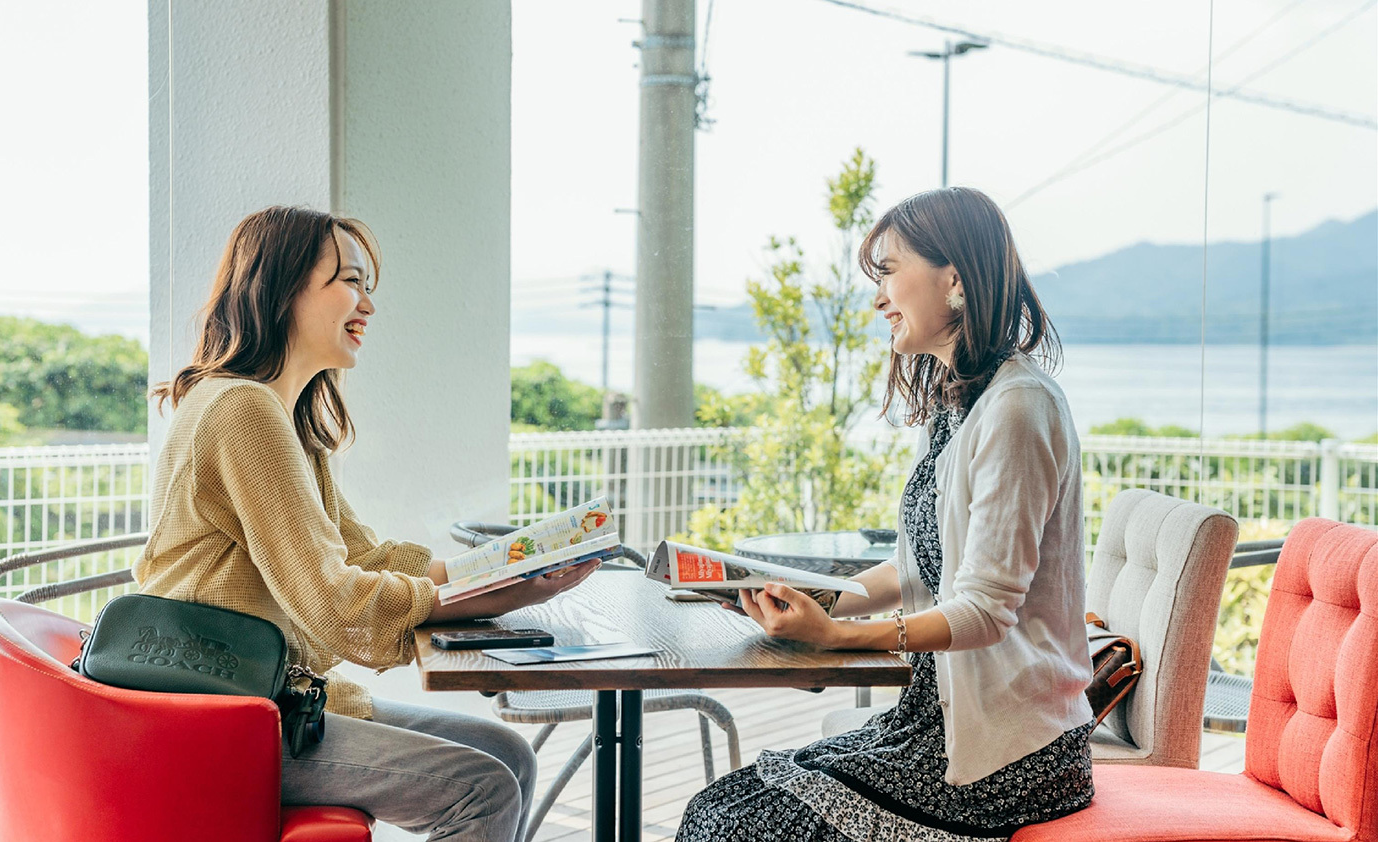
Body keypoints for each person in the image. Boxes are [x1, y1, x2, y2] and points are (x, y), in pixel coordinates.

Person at [136, 205, 597, 842]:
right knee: (480, 786)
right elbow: (335, 605)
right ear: (283, 289)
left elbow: (366, 556)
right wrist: (487, 596)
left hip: (270, 699)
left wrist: (507, 565)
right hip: (222, 716)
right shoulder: (241, 410)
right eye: (349, 281)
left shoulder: (284, 417)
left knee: (508, 755)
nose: (367, 306)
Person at [678, 187, 1095, 842]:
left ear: (953, 279)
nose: (877, 299)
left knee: (730, 821)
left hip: (1011, 758)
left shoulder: (1020, 407)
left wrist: (836, 638)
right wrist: (803, 599)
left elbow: (985, 611)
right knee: (721, 808)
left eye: (890, 271)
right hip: (931, 725)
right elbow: (910, 568)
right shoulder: (958, 404)